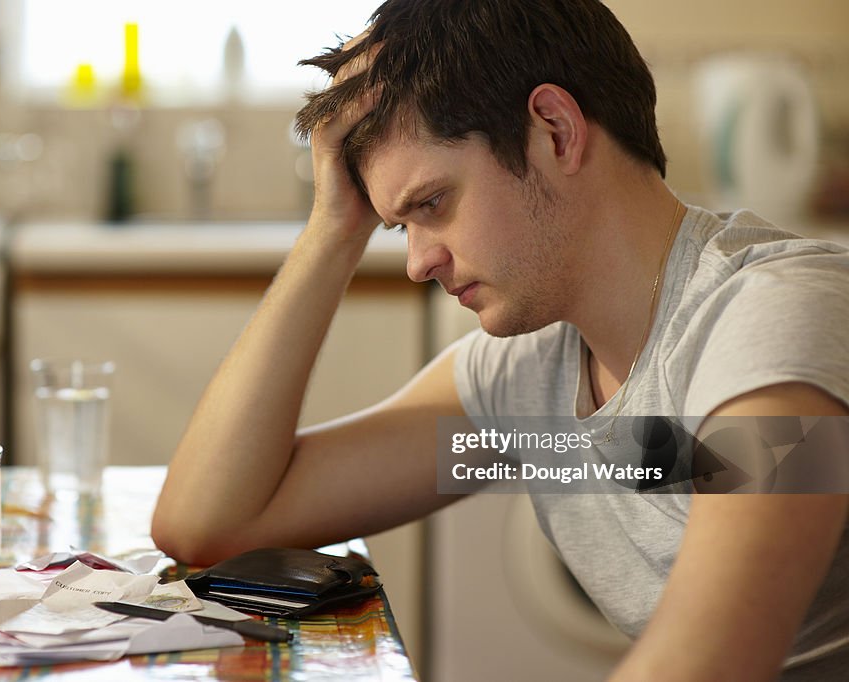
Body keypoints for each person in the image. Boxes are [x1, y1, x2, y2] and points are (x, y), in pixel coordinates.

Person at [152, 0, 849, 678]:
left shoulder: (775, 316)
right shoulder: (528, 391)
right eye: (400, 225)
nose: (419, 261)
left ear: (554, 130)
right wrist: (333, 231)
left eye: (432, 204)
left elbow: (714, 665)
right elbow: (212, 523)